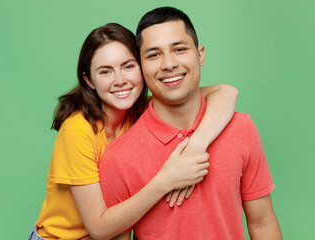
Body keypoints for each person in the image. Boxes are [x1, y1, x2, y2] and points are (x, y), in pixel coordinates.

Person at [28, 23, 238, 240]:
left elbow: (226, 92)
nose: (120, 81)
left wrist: (197, 146)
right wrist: (167, 180)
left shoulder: (139, 111)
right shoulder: (77, 131)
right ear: (88, 80)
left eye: (128, 66)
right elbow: (99, 228)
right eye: (105, 71)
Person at [99, 7, 282, 240]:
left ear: (200, 54)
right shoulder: (118, 157)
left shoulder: (241, 129)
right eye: (153, 55)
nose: (168, 64)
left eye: (179, 49)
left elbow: (262, 224)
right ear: (141, 67)